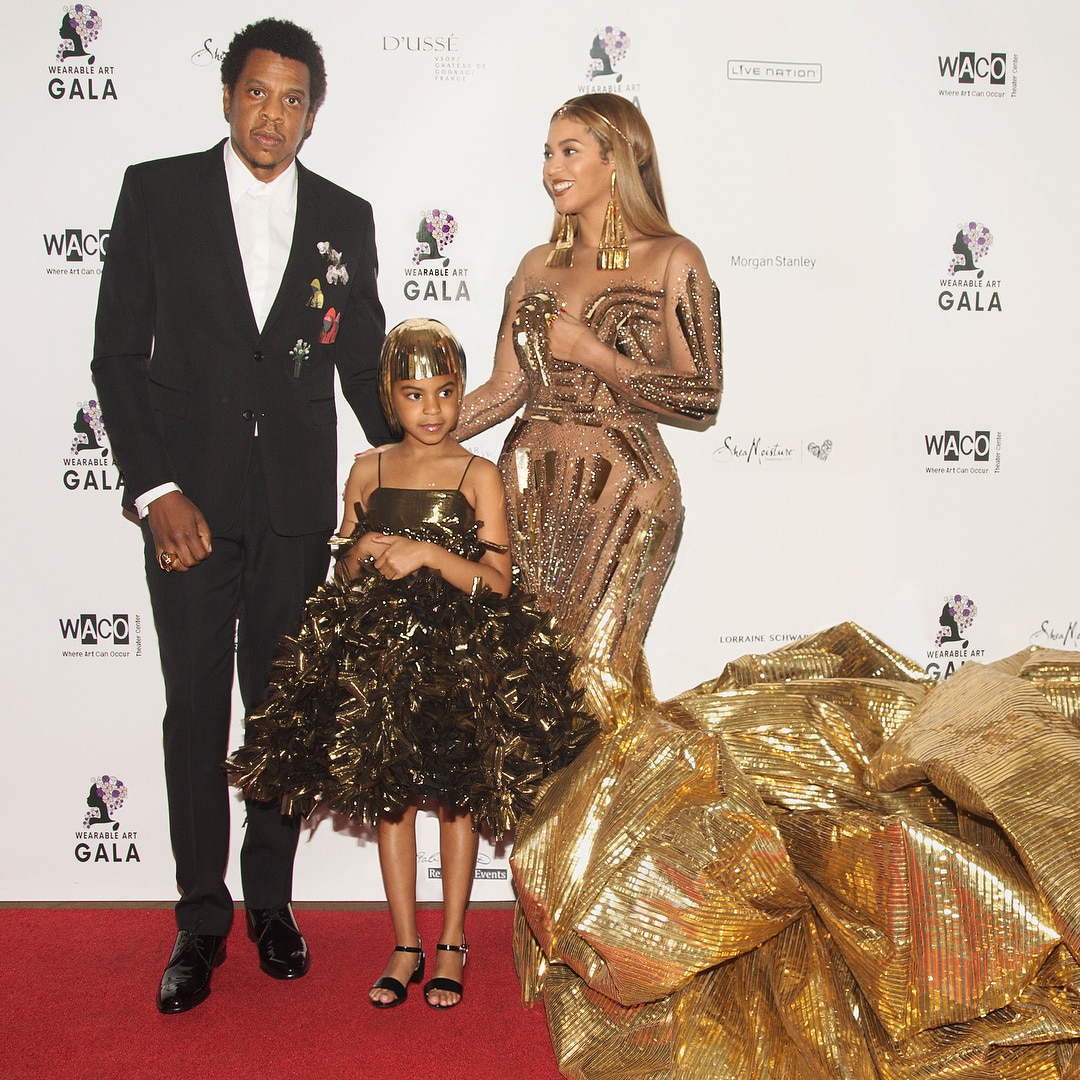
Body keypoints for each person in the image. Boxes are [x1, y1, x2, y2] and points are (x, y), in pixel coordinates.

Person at [91, 18, 392, 1014]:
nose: (274, 114)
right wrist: (154, 489)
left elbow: (359, 364)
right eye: (257, 93)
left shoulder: (344, 218)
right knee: (193, 715)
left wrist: (418, 455)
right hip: (189, 508)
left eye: (293, 98)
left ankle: (271, 903)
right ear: (228, 97)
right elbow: (116, 358)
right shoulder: (158, 194)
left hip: (299, 511)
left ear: (314, 112)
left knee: (283, 713)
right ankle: (199, 918)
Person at [227, 318, 597, 1011]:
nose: (432, 409)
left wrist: (428, 554)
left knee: (457, 806)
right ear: (389, 400)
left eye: (446, 391)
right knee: (390, 806)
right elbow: (344, 570)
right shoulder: (367, 469)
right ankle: (404, 942)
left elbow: (498, 581)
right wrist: (361, 552)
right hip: (383, 668)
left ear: (461, 393)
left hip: (457, 665)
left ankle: (452, 940)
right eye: (414, 394)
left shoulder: (476, 473)